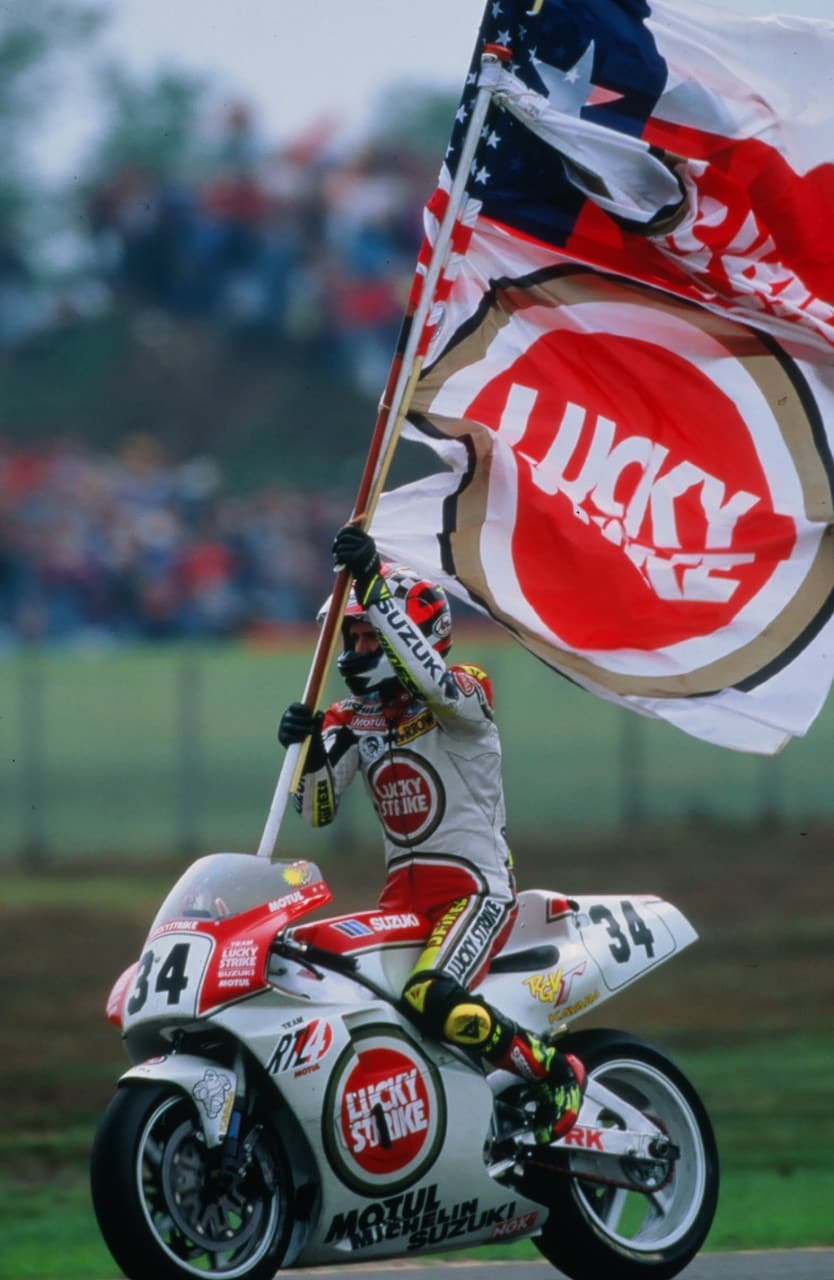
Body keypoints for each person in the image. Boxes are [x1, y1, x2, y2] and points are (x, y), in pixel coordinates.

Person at [278, 524, 585, 1142]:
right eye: (354, 636)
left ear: (414, 633)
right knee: (343, 988)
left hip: (476, 894)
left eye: (370, 635)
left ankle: (555, 1072)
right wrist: (302, 753)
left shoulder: (466, 693)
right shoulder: (351, 717)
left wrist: (374, 586)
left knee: (429, 996)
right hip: (402, 901)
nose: (358, 647)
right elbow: (316, 811)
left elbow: (433, 684)